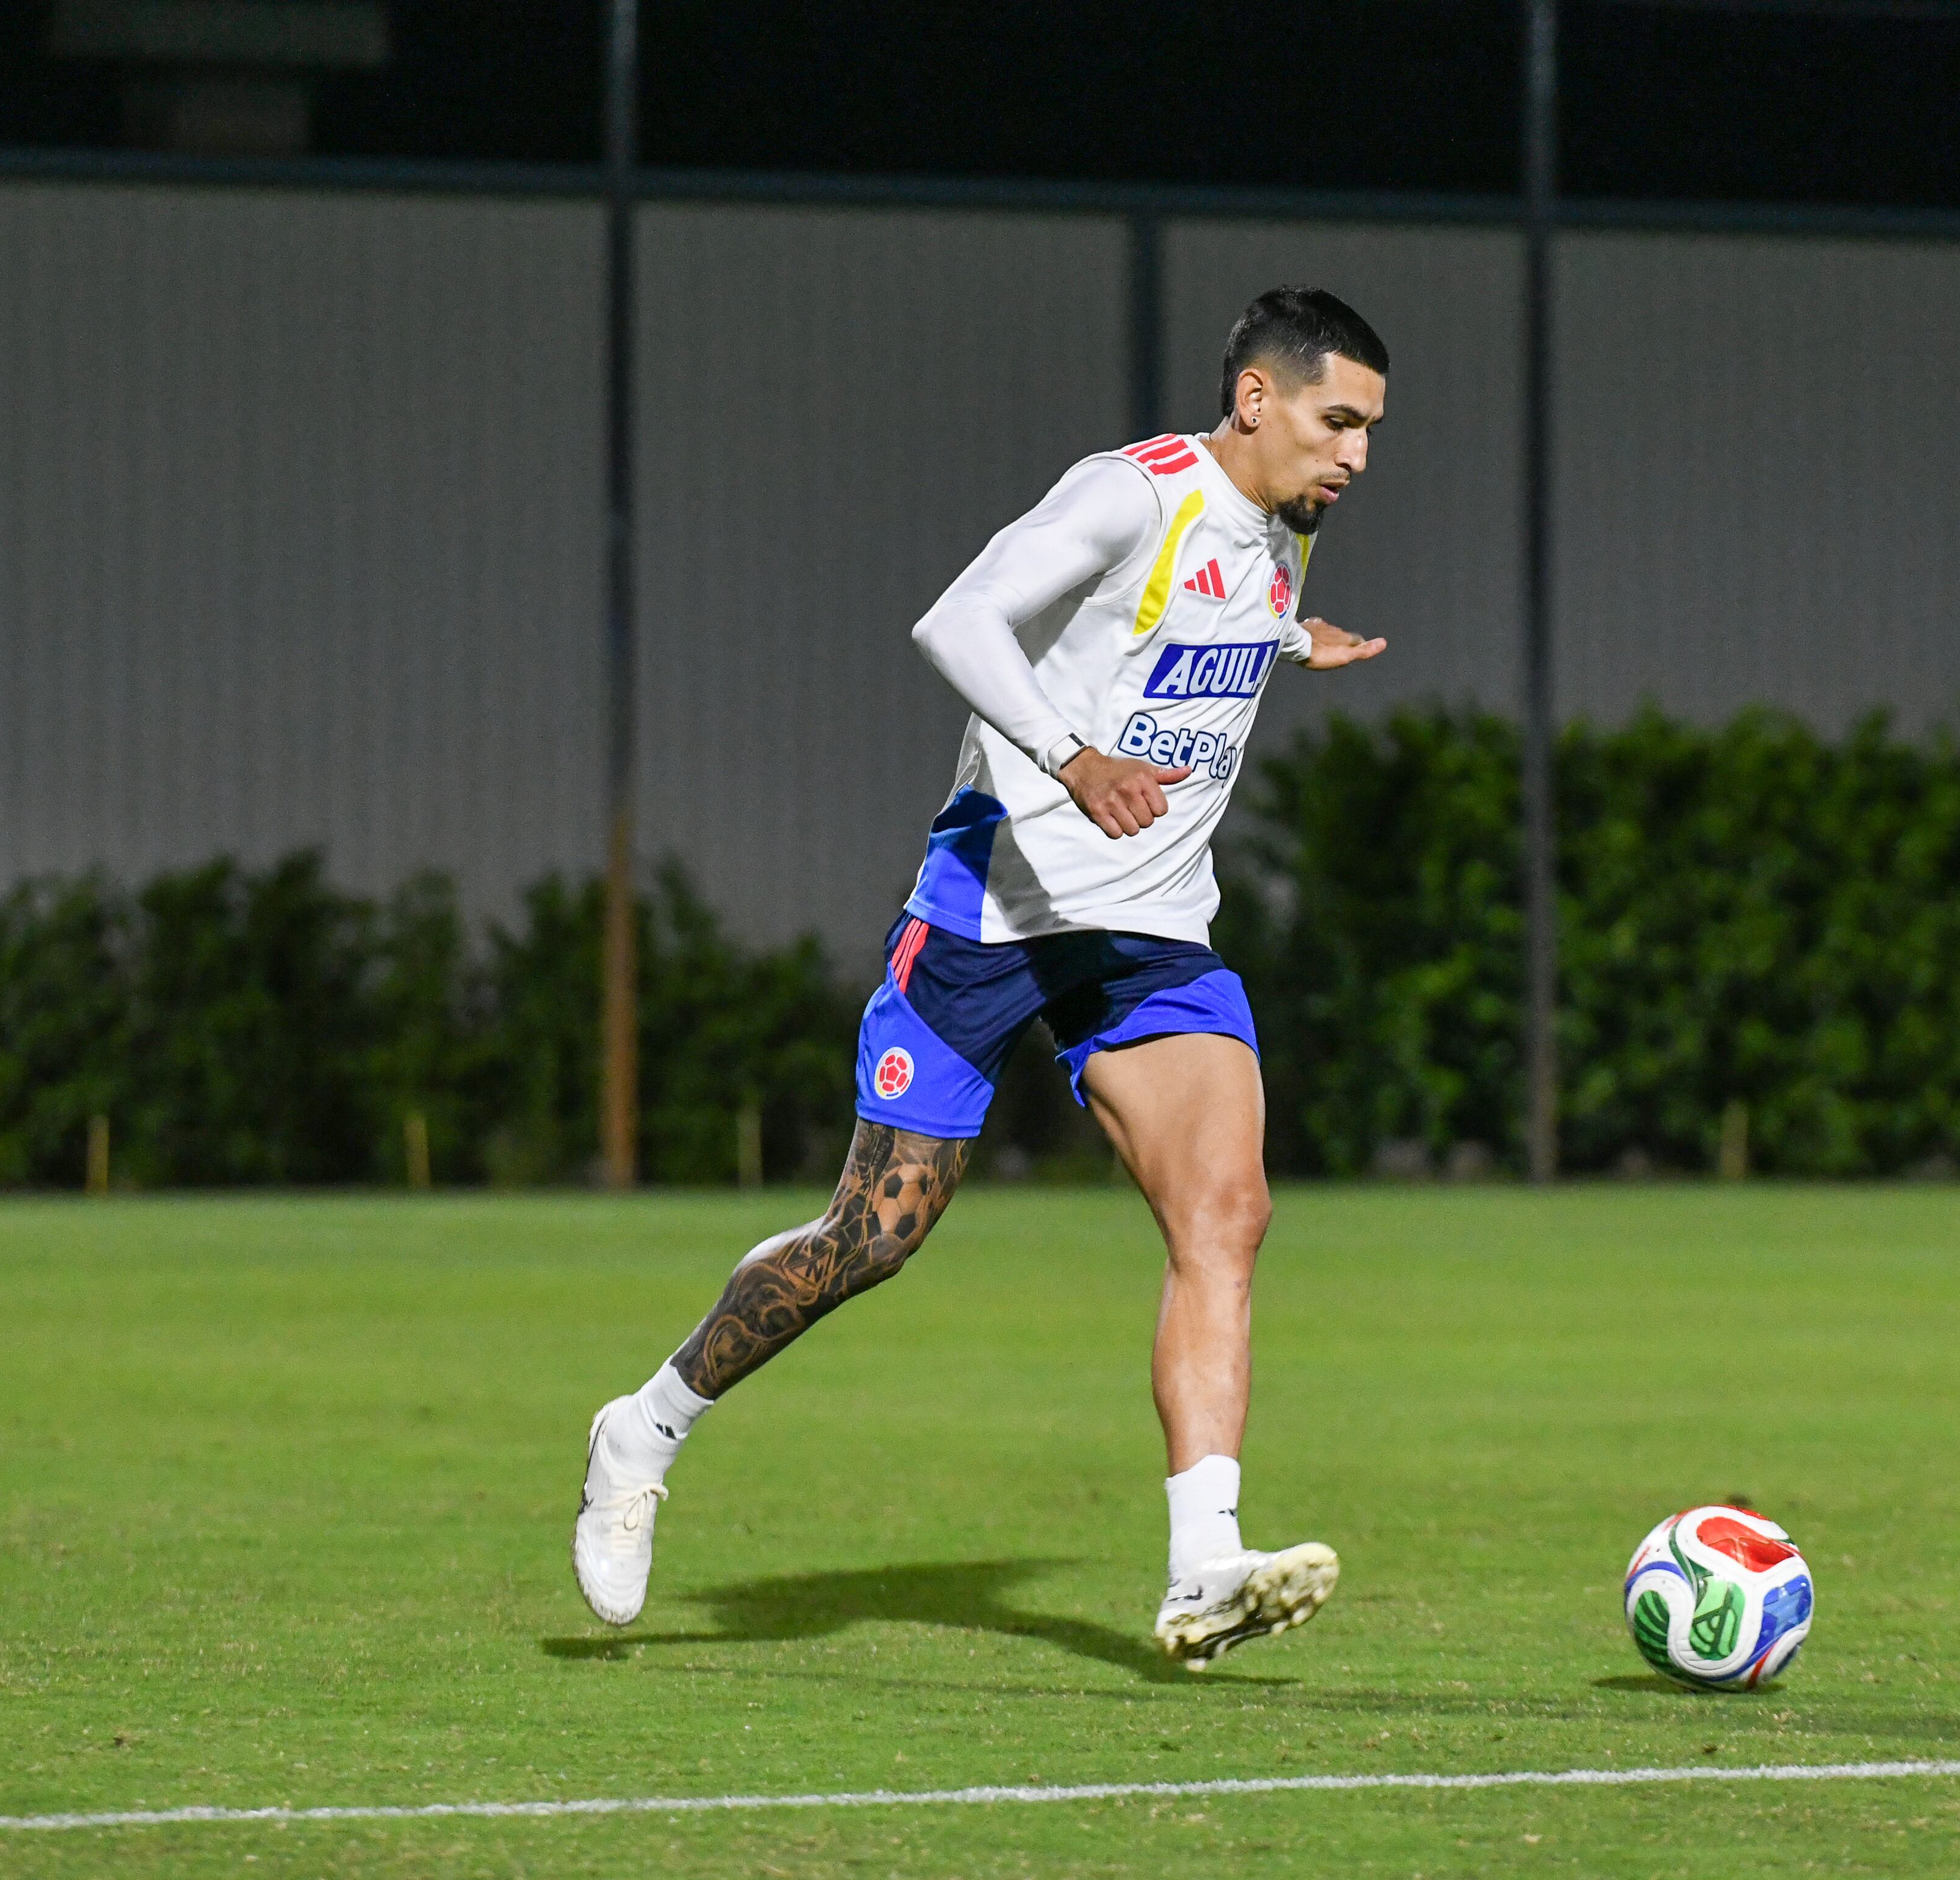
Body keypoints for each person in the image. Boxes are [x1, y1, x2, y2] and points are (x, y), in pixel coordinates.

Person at [573, 285, 1391, 1669]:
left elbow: (1182, 637)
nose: (1356, 455)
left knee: (1226, 1215)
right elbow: (957, 624)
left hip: (1148, 944)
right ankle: (641, 1429)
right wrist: (1073, 761)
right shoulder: (1131, 495)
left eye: (1370, 430)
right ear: (1255, 400)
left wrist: (1280, 640)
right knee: (870, 1238)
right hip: (991, 918)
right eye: (1337, 421)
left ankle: (1202, 1565)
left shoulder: (1278, 540)